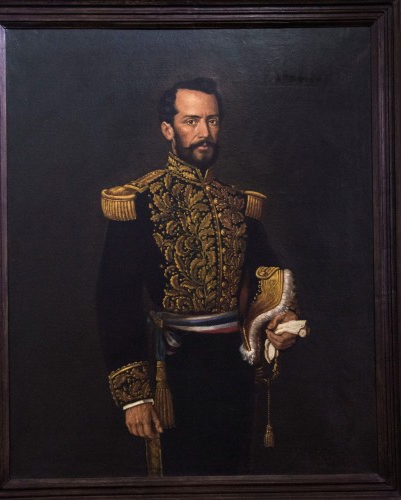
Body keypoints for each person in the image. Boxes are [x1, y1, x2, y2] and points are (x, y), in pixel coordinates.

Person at [97, 77, 304, 476]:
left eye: (212, 120)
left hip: (235, 370)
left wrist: (283, 320)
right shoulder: (140, 201)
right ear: (168, 129)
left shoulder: (238, 203)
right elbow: (115, 300)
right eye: (191, 121)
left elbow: (269, 276)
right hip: (173, 371)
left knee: (232, 477)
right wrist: (135, 396)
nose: (204, 132)